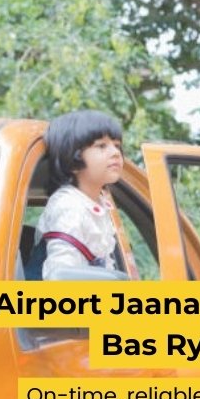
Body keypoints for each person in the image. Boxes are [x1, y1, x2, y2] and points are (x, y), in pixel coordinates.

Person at [34, 110, 124, 280]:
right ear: (73, 160)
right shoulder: (69, 206)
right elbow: (60, 277)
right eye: (101, 146)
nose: (115, 152)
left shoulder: (98, 203)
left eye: (117, 145)